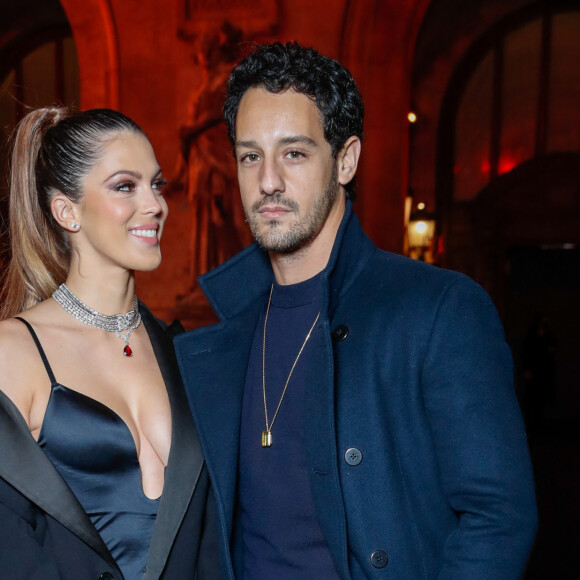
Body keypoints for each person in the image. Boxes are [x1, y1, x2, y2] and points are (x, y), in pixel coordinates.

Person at [174, 42, 538, 579]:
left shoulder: (438, 310)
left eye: (293, 153)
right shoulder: (218, 338)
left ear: (345, 160)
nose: (268, 180)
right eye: (251, 155)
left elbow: (499, 516)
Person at [0, 107, 217, 579]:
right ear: (66, 211)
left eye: (156, 184)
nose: (155, 204)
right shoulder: (14, 353)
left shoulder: (181, 353)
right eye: (125, 186)